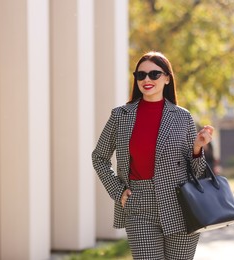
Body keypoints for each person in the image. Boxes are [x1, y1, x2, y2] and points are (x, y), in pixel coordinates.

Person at [92, 51, 214, 259]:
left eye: (154, 74)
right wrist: (118, 191)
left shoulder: (182, 117)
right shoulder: (120, 116)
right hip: (138, 205)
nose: (147, 80)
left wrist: (197, 149)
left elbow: (197, 172)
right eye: (141, 75)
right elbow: (99, 157)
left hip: (180, 205)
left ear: (167, 78)